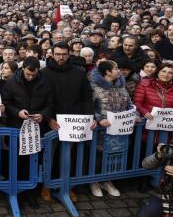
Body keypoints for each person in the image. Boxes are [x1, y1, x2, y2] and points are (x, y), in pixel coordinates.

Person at [41, 42, 94, 202]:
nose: (61, 57)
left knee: (70, 156)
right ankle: (46, 185)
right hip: (52, 122)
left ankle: (68, 186)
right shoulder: (44, 73)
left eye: (64, 54)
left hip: (74, 122)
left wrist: (89, 117)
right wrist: (48, 118)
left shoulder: (79, 72)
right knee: (49, 155)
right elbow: (40, 98)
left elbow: (87, 97)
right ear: (52, 54)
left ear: (69, 54)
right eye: (57, 54)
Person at [89, 60, 134, 198]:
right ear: (108, 72)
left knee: (114, 156)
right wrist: (98, 118)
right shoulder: (94, 86)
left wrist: (135, 114)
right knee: (97, 156)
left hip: (118, 130)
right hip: (101, 130)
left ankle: (107, 180)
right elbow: (89, 106)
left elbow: (129, 103)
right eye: (116, 68)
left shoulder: (121, 85)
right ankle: (94, 180)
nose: (119, 70)